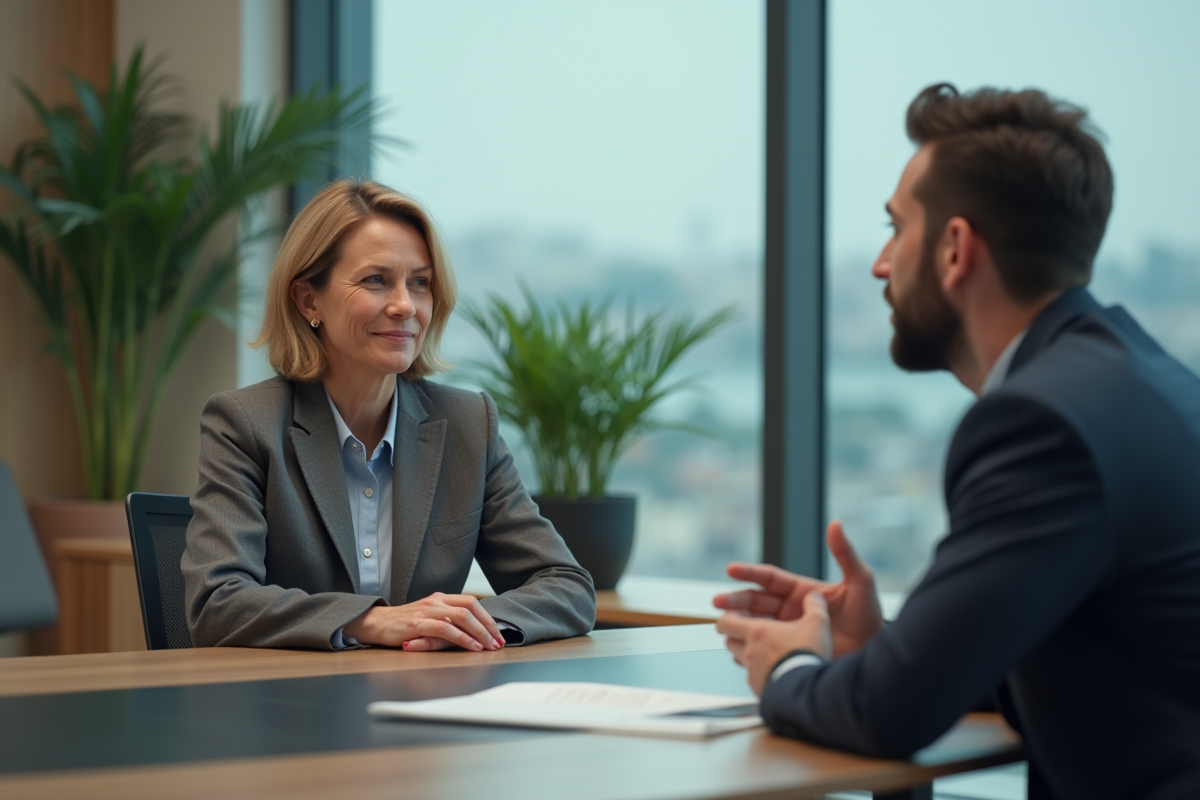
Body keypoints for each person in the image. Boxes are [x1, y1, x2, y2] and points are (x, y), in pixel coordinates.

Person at [715, 84, 1200, 799]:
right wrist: (882, 650)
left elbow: (889, 717)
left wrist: (789, 668)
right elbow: (1085, 655)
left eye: (895, 228)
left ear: (954, 249)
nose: (881, 264)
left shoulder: (1041, 423)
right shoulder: (1149, 380)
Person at [182, 180, 596, 651]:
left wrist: (452, 625)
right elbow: (217, 602)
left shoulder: (468, 425)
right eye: (376, 280)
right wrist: (370, 622)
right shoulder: (244, 424)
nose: (405, 306)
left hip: (420, 703)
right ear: (308, 300)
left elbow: (567, 587)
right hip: (291, 706)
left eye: (419, 283)